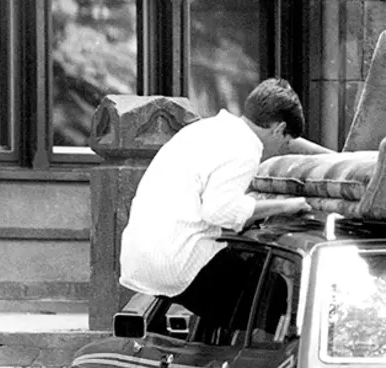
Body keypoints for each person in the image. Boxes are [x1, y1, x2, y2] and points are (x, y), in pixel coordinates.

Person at [119, 78, 330, 323]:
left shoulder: (209, 129)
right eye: (285, 141)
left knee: (241, 284)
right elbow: (220, 212)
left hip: (142, 258)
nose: (283, 148)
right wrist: (286, 205)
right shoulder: (246, 149)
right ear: (278, 128)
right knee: (278, 292)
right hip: (180, 261)